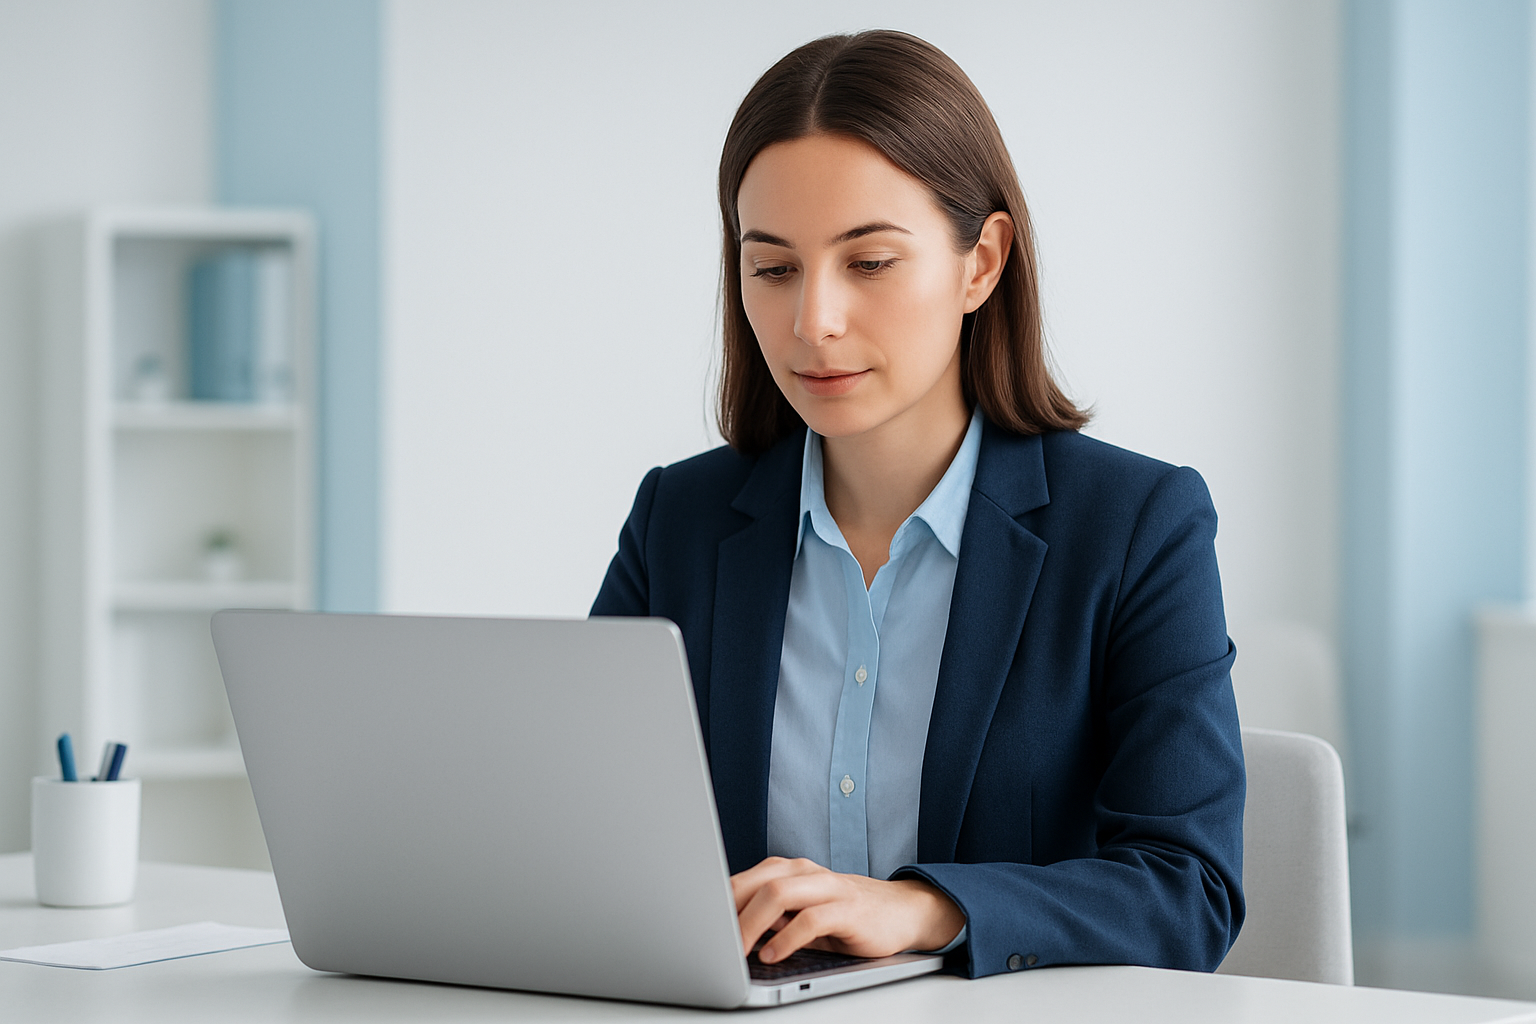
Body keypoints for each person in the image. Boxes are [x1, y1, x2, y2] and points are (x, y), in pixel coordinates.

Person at [591, 29, 1244, 980]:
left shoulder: (1138, 525)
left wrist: (927, 909)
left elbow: (1189, 891)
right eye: (772, 267)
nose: (813, 319)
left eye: (869, 263)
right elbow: (588, 836)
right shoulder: (677, 522)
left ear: (981, 263)